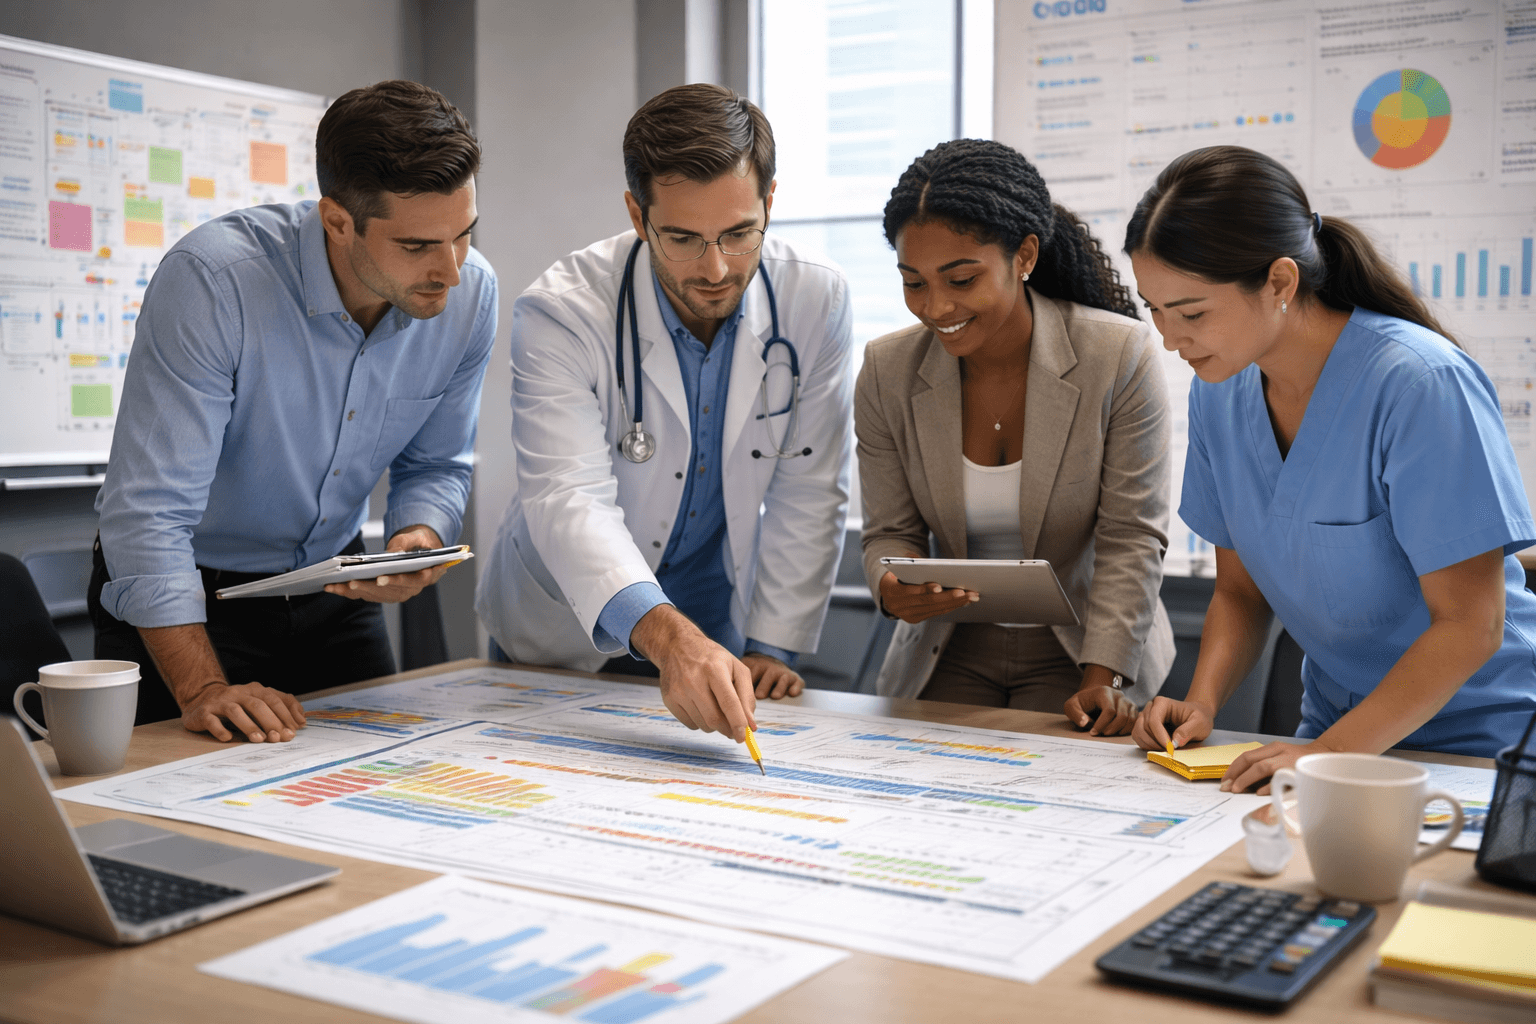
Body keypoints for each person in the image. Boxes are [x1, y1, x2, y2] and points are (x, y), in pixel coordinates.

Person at [90, 81, 496, 744]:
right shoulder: (213, 283)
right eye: (418, 246)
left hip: (332, 591)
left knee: (381, 782)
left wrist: (415, 539)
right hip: (193, 600)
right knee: (174, 819)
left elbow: (436, 462)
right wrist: (203, 688)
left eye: (464, 236)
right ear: (337, 221)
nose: (450, 271)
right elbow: (149, 513)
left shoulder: (472, 294)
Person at [1126, 145, 1536, 789]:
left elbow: (1471, 625)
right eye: (1154, 308)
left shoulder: (1419, 382)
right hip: (1335, 733)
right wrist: (1200, 701)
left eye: (1193, 312)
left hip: (1482, 742)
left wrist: (1332, 754)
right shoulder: (1219, 390)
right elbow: (1240, 590)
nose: (1169, 338)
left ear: (1280, 283)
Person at [475, 84, 853, 743]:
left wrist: (773, 644)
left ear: (769, 202)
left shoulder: (815, 298)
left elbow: (809, 484)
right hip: (570, 623)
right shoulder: (562, 310)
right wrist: (667, 637)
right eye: (681, 237)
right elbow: (568, 497)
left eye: (740, 234)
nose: (714, 268)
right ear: (637, 212)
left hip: (714, 626)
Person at [857, 138, 1175, 733]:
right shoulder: (886, 369)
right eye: (914, 282)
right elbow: (888, 532)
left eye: (960, 278)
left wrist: (1103, 674)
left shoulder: (1117, 354)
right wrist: (891, 584)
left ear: (1024, 255)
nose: (935, 306)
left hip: (1084, 647)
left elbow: (1132, 535)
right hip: (948, 648)